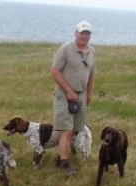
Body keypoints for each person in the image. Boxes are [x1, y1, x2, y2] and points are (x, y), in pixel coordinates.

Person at [51, 21, 96, 176]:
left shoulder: (91, 52)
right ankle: (64, 163)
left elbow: (91, 75)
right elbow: (55, 72)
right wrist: (69, 91)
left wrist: (89, 94)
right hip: (65, 94)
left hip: (81, 94)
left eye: (87, 34)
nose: (84, 36)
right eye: (82, 33)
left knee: (77, 128)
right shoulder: (65, 49)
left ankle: (60, 157)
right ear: (75, 33)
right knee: (67, 129)